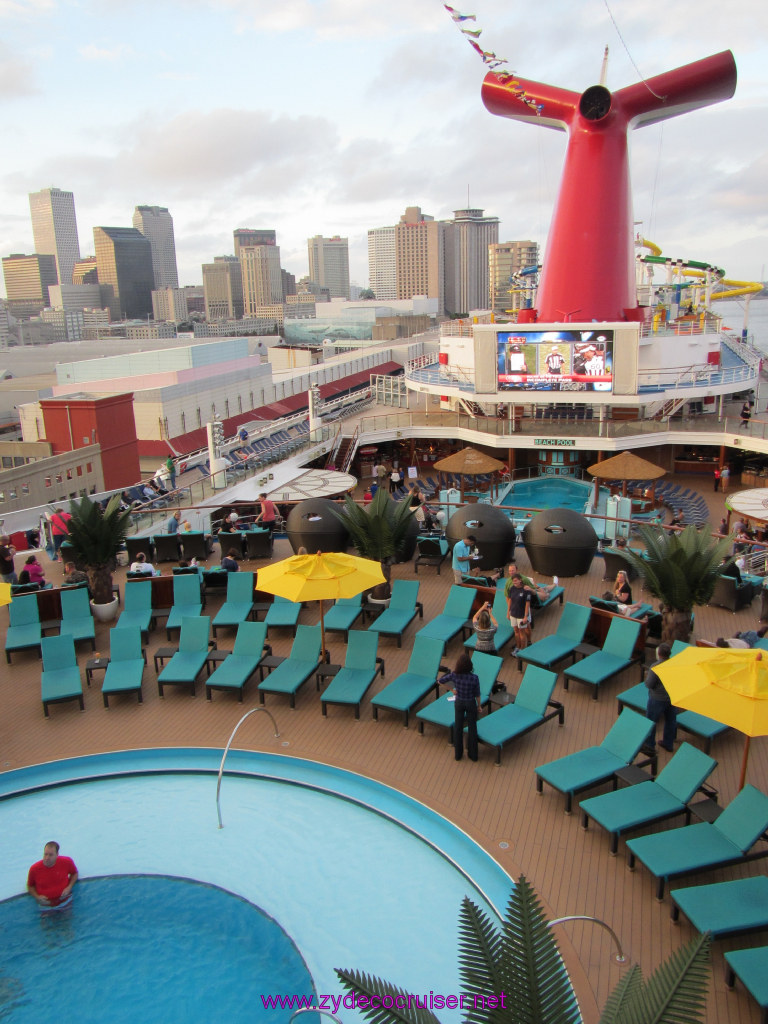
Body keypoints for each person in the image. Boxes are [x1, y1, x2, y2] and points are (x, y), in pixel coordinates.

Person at [438, 652, 481, 762]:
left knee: (458, 727)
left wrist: (452, 689)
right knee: (472, 728)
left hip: (459, 702)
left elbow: (440, 681)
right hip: (470, 703)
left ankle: (458, 754)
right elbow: (477, 694)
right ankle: (473, 755)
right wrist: (479, 706)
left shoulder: (454, 675)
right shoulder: (474, 678)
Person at [644, 642, 677, 753]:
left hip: (657, 699)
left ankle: (649, 745)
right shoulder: (675, 665)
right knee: (671, 721)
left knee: (651, 721)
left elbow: (649, 684)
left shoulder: (655, 667)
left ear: (659, 654)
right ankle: (668, 743)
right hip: (671, 698)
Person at [27, 841, 78, 908]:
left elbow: (74, 874)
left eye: (50, 855)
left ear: (57, 854)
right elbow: (30, 886)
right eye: (45, 854)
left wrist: (69, 887)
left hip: (65, 901)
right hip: (45, 905)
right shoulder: (34, 869)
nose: (47, 858)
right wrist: (37, 897)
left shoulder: (66, 862)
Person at [506, 574, 532, 654]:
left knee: (521, 631)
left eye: (516, 580)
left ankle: (522, 649)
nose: (514, 582)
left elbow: (527, 604)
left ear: (520, 580)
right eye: (513, 581)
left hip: (521, 615)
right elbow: (510, 600)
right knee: (516, 631)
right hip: (513, 613)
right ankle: (517, 647)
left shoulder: (526, 590)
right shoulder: (512, 589)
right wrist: (508, 612)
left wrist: (525, 616)